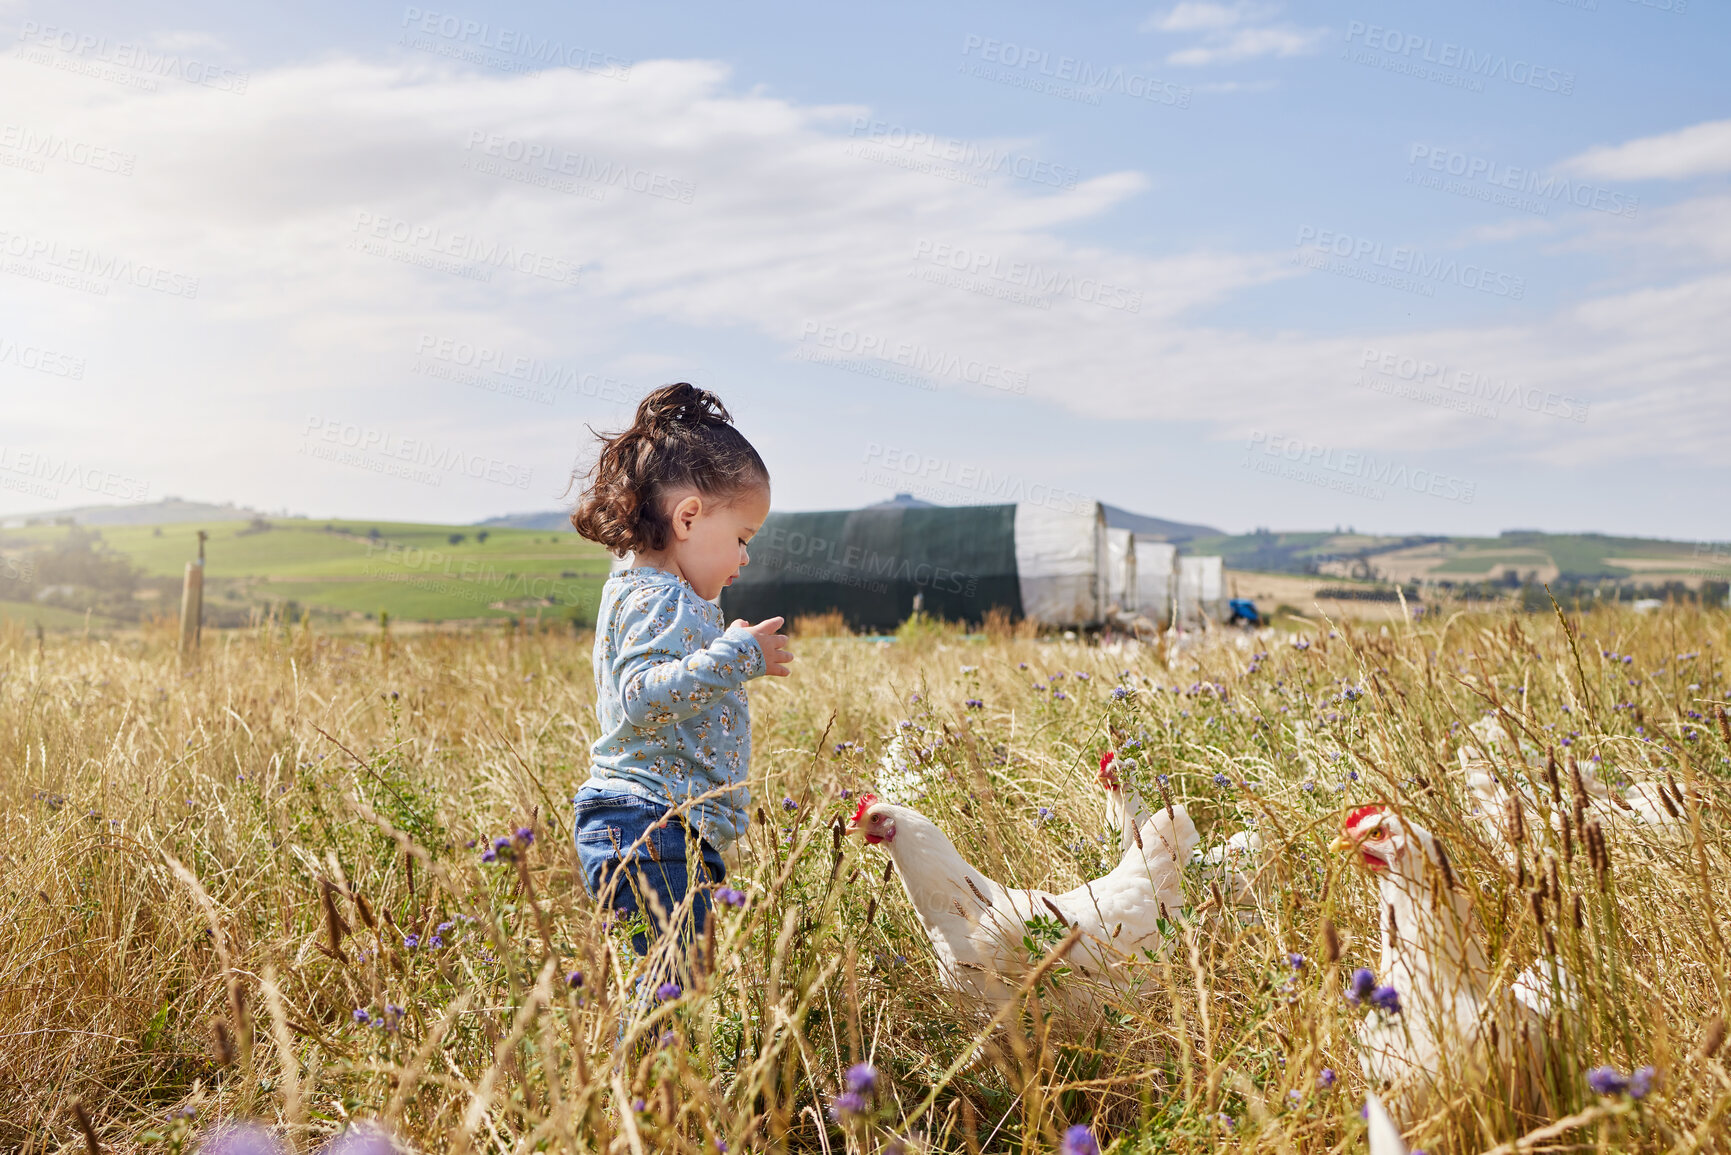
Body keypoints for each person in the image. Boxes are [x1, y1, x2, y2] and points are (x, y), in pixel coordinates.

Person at [569, 383, 792, 961]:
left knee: (671, 988)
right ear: (689, 517)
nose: (746, 556)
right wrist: (738, 656)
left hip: (655, 826)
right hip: (650, 825)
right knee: (668, 995)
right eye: (742, 538)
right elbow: (643, 698)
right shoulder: (658, 598)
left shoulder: (647, 591)